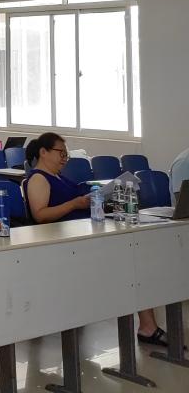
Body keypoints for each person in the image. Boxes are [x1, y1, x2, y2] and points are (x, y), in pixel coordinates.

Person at [25, 133, 166, 346]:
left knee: (135, 256)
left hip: (82, 235)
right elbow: (40, 215)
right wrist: (74, 204)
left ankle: (148, 325)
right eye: (61, 153)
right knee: (130, 261)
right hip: (64, 243)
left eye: (66, 155)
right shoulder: (39, 178)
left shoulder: (59, 177)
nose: (64, 158)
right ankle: (147, 326)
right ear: (43, 152)